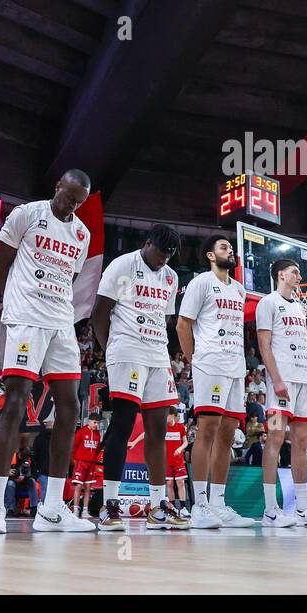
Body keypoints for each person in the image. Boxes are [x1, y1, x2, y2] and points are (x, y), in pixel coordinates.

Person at [0, 170, 95, 534]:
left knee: (70, 408)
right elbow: (1, 262)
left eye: (78, 201)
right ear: (57, 188)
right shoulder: (27, 214)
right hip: (26, 317)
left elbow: (71, 277)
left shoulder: (82, 233)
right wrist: (7, 303)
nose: (71, 205)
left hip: (61, 321)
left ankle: (52, 508)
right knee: (16, 402)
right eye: (68, 196)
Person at [91, 224, 187, 531]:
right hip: (127, 352)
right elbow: (100, 313)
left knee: (158, 432)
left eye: (168, 257)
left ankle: (158, 506)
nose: (162, 262)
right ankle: (110, 505)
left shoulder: (170, 277)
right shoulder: (122, 266)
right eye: (159, 255)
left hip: (157, 355)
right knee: (122, 426)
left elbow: (166, 319)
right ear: (146, 244)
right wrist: (111, 353)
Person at [175, 235, 256, 528]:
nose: (230, 251)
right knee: (206, 430)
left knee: (227, 434)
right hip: (210, 362)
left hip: (236, 365)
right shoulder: (200, 283)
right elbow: (183, 324)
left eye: (231, 248)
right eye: (224, 247)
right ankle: (200, 506)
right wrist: (191, 358)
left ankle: (219, 503)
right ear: (210, 255)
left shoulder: (239, 289)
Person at [256, 258, 307, 527]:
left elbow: (306, 347)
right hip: (282, 383)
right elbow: (264, 345)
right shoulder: (268, 302)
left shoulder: (300, 309)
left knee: (302, 442)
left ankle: (302, 508)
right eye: (294, 272)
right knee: (276, 438)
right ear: (281, 275)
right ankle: (270, 510)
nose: (299, 277)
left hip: (302, 383)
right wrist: (276, 380)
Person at [70, 415, 103, 519]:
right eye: (94, 422)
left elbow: (97, 449)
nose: (96, 425)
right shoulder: (81, 432)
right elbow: (74, 446)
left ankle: (85, 510)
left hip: (91, 463)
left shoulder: (97, 434)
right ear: (88, 421)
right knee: (78, 486)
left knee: (88, 487)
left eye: (98, 423)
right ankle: (75, 510)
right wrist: (74, 460)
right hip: (80, 462)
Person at [164, 410, 190, 514]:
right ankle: (172, 508)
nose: (166, 416)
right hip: (166, 461)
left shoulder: (180, 427)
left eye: (168, 414)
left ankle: (183, 508)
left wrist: (179, 449)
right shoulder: (162, 427)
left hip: (178, 461)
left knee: (181, 483)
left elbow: (186, 442)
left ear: (174, 416)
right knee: (169, 483)